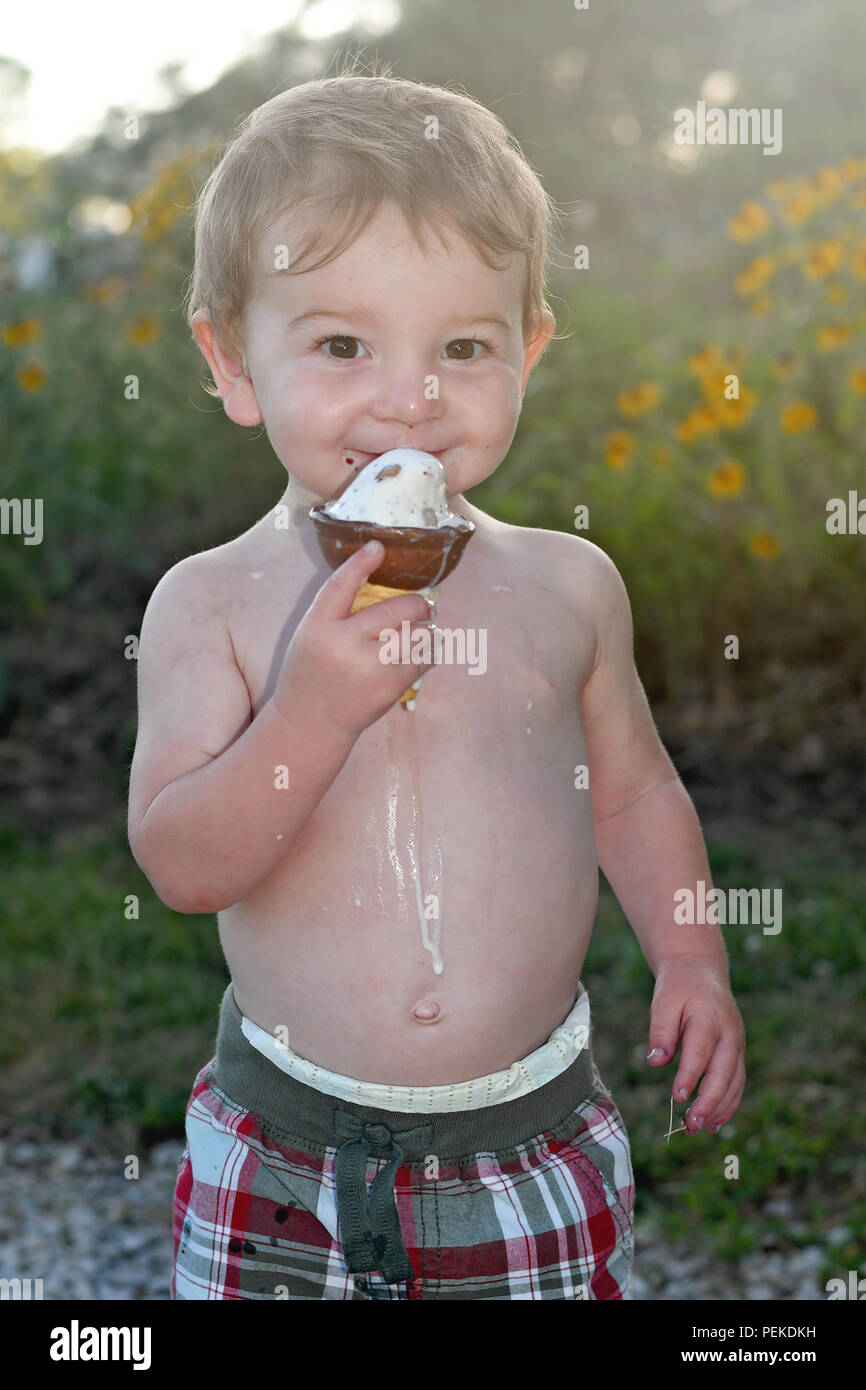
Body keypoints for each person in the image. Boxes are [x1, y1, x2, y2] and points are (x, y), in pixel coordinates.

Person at [128, 66, 745, 1300]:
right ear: (233, 362)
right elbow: (185, 866)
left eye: (462, 346)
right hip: (285, 1155)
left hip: (527, 1140)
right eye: (341, 344)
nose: (410, 399)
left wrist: (690, 959)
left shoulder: (567, 586)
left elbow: (631, 793)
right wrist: (307, 715)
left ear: (526, 352)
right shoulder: (212, 603)